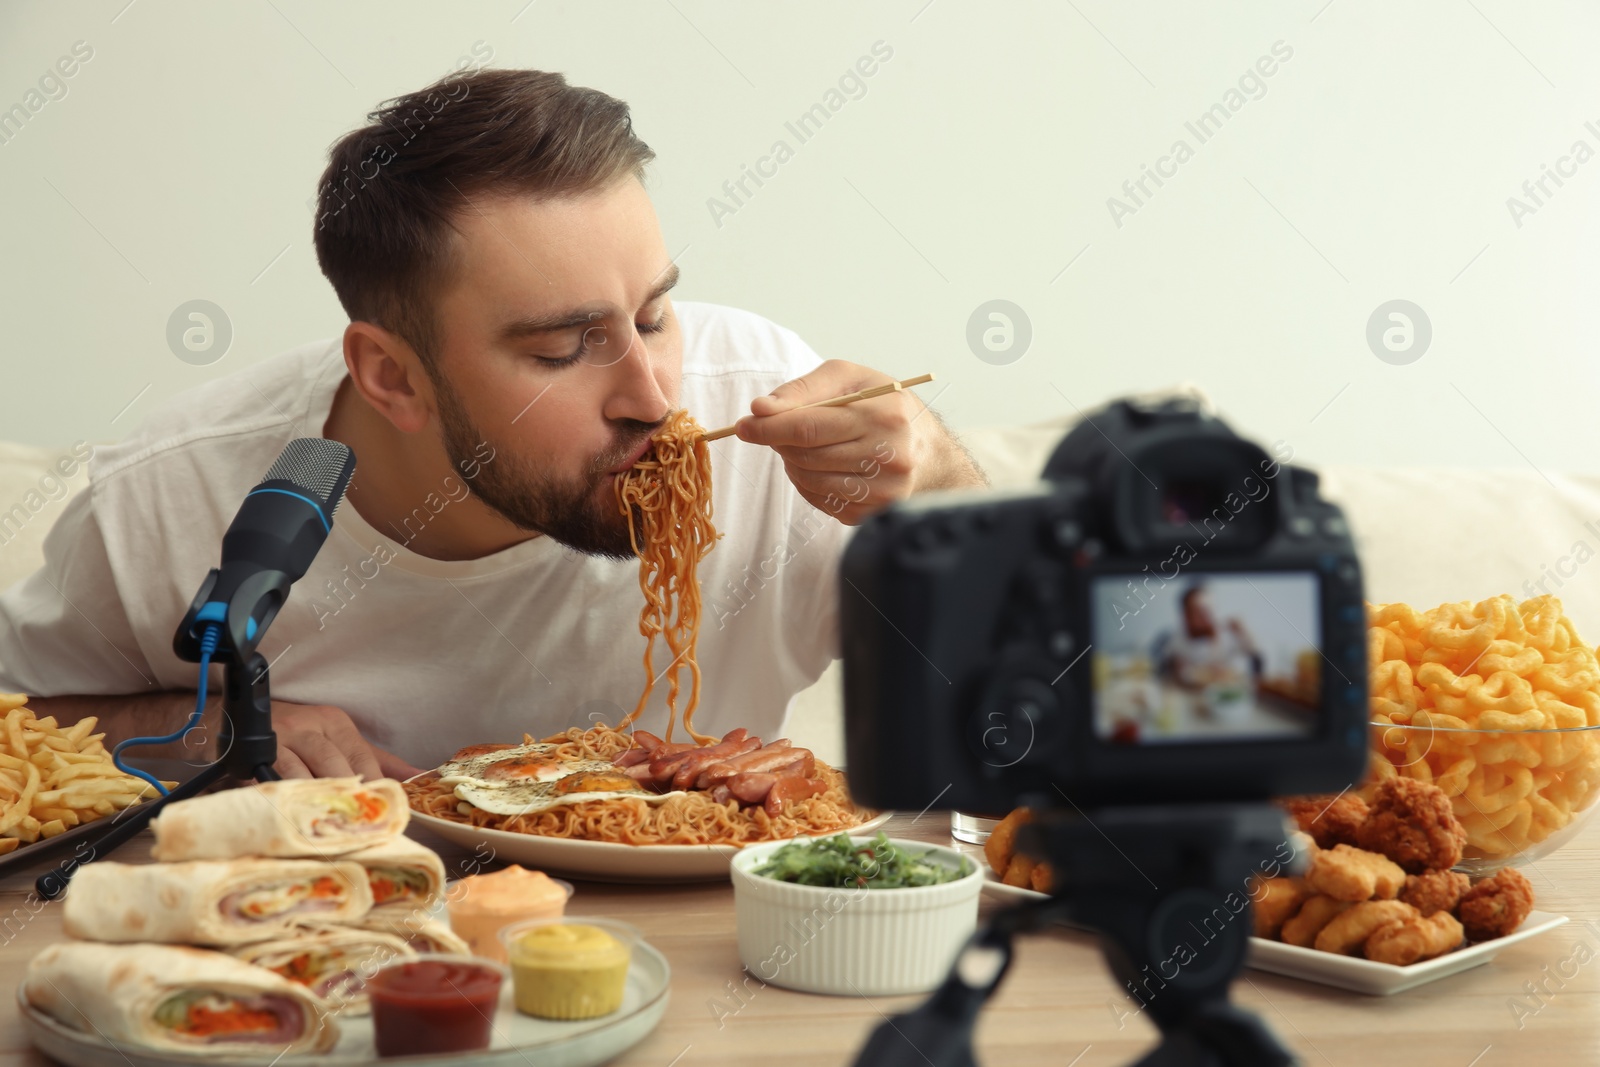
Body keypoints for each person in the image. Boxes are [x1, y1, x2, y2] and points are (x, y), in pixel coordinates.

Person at [0, 69, 986, 780]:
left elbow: (1066, 680)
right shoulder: (177, 493)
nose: (652, 394)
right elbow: (16, 721)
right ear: (392, 376)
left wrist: (941, 482)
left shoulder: (771, 412)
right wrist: (192, 719)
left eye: (652, 315)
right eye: (563, 349)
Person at [1158, 585, 1263, 693]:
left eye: (1209, 608)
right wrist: (1173, 666)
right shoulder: (1178, 639)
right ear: (1186, 616)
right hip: (1191, 696)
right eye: (1199, 611)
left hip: (1227, 694)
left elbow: (1257, 658)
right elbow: (1165, 667)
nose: (1206, 615)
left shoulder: (1228, 634)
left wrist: (1244, 632)